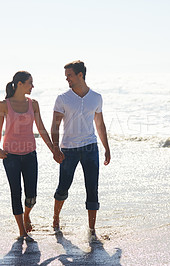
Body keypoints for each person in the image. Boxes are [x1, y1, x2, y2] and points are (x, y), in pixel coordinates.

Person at [0, 71, 58, 242]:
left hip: (30, 155)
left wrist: (53, 149)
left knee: (31, 196)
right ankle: (22, 231)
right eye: (30, 82)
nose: (33, 86)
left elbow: (42, 129)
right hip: (10, 156)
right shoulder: (4, 104)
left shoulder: (33, 104)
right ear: (20, 84)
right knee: (16, 193)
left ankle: (26, 215)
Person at [51, 60, 111, 239]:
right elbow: (55, 125)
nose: (66, 79)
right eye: (66, 75)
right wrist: (55, 148)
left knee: (92, 188)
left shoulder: (96, 97)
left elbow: (99, 124)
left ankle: (92, 230)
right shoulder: (63, 98)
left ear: (80, 75)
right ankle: (56, 218)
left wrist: (107, 148)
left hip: (90, 147)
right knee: (63, 187)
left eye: (69, 75)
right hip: (68, 149)